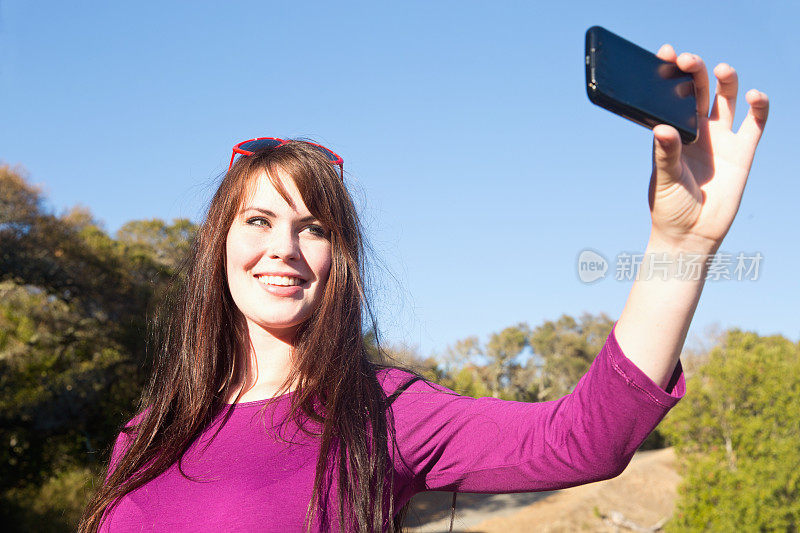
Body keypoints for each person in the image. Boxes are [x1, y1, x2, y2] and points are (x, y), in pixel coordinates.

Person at [79, 44, 769, 532]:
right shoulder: (146, 434)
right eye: (258, 220)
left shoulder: (379, 411)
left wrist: (681, 248)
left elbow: (584, 438)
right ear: (219, 247)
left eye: (313, 228)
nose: (283, 248)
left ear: (338, 260)